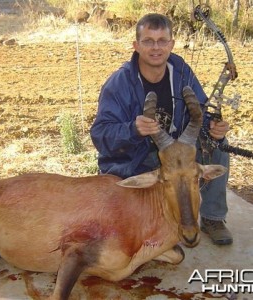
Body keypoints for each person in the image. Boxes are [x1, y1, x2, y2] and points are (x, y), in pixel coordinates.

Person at [90, 13, 232, 245]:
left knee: (217, 144)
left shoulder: (181, 70)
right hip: (137, 157)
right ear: (136, 46)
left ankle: (212, 217)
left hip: (175, 151)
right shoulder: (119, 83)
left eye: (162, 41)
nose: (156, 48)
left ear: (171, 44)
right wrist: (132, 129)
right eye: (148, 41)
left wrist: (214, 127)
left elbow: (202, 110)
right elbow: (100, 135)